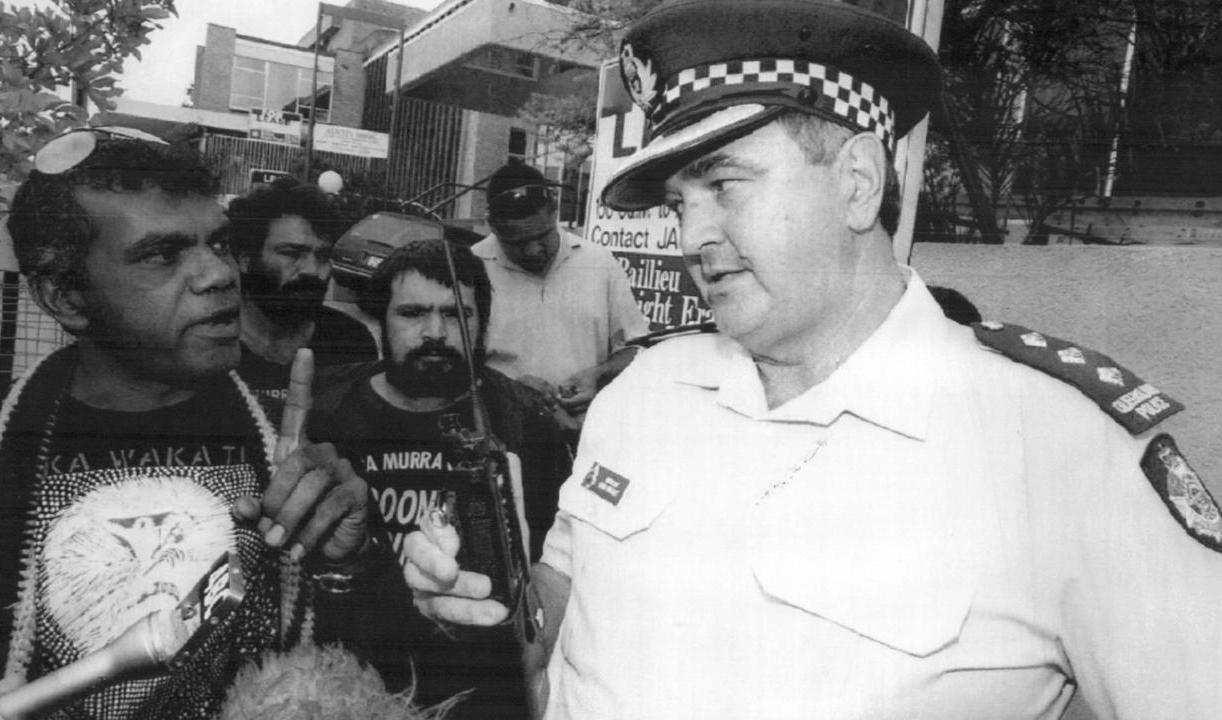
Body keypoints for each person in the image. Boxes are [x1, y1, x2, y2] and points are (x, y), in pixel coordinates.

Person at [402, 1, 1222, 719]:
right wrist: (483, 600)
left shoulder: (1060, 452)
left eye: (725, 185)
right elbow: (557, 631)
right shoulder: (645, 392)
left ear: (860, 181)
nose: (691, 239)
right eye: (682, 203)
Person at [0, 128, 382, 719]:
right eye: (162, 254)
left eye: (220, 245)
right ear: (66, 299)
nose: (219, 275)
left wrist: (348, 565)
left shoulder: (302, 451)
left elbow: (397, 675)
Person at [309, 238, 573, 720]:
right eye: (412, 313)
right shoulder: (330, 410)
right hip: (359, 685)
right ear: (381, 321)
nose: (436, 332)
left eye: (456, 315)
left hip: (487, 693)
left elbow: (558, 571)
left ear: (482, 325)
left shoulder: (524, 421)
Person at [474, 164, 649, 431]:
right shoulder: (471, 267)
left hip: (586, 434)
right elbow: (452, 366)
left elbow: (635, 349)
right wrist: (509, 391)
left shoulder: (598, 262)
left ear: (556, 212)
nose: (533, 250)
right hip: (502, 436)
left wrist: (598, 375)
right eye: (517, 242)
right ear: (493, 228)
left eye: (542, 235)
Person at [227, 177, 378, 409]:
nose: (311, 270)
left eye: (322, 257)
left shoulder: (350, 341)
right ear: (246, 260)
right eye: (291, 253)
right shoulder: (213, 343)